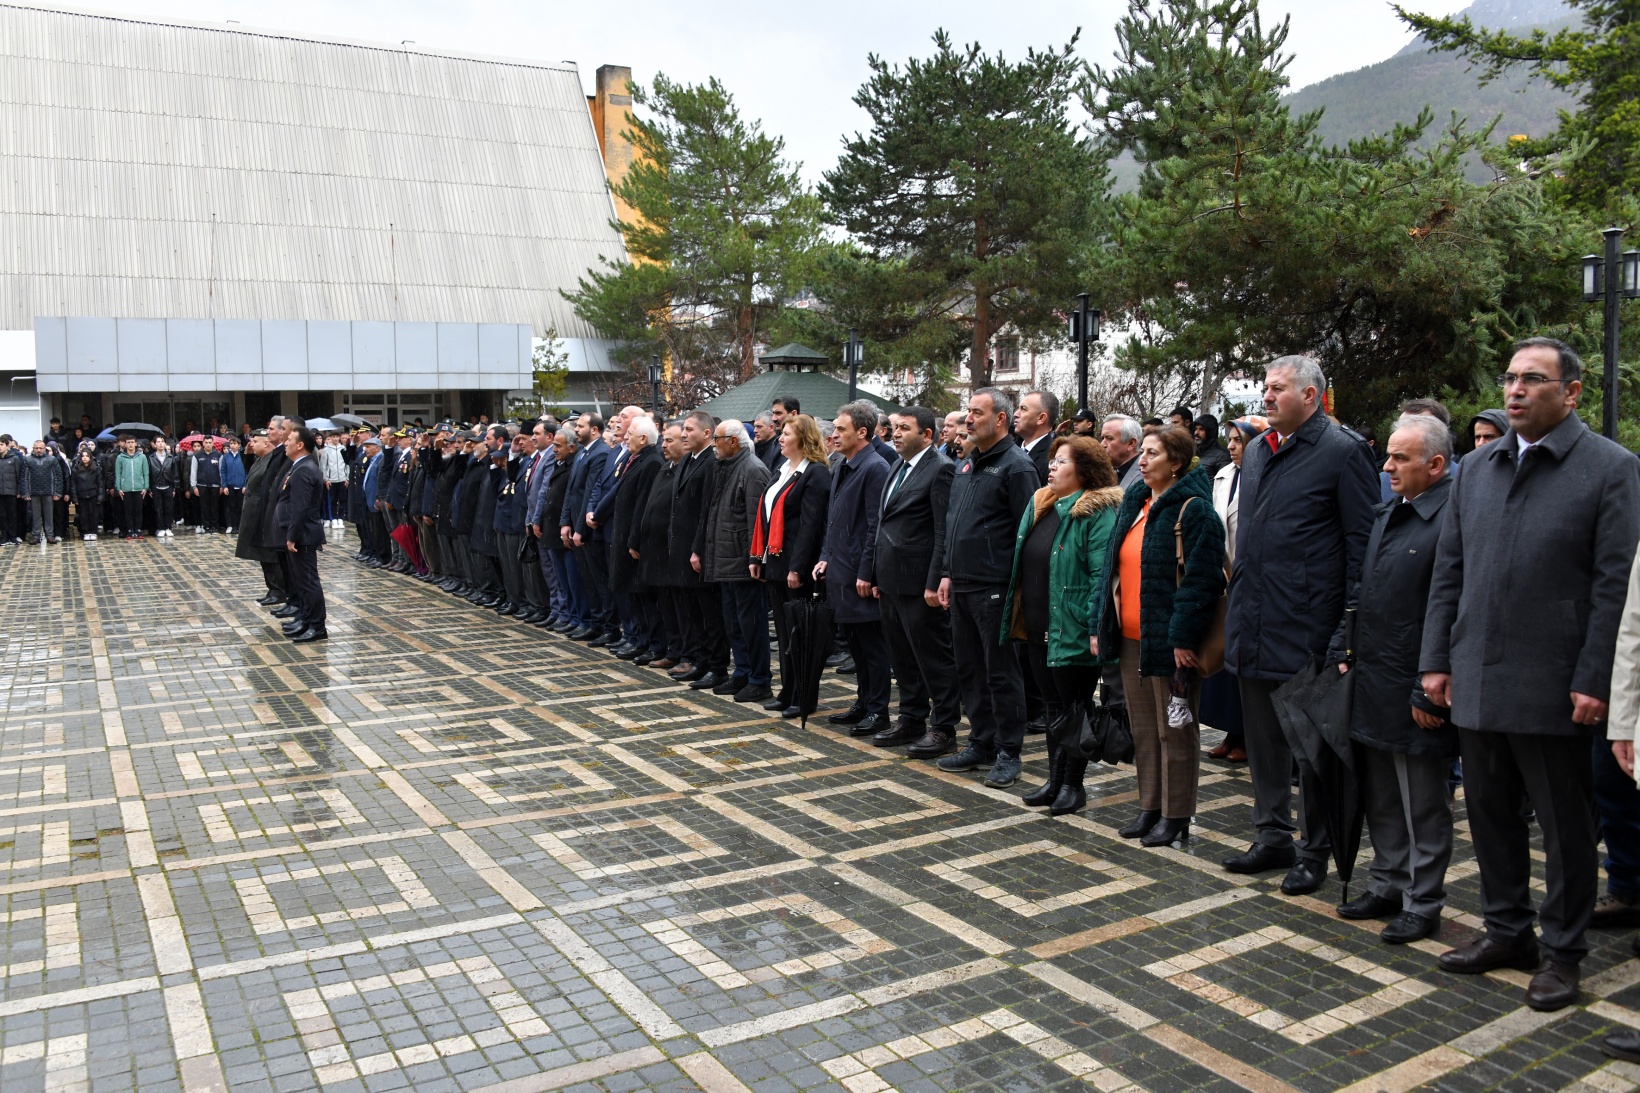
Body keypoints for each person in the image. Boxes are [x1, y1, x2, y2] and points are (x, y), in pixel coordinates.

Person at [1422, 337, 1640, 1012]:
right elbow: (1449, 572)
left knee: (1566, 826)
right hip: (1478, 676)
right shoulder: (1477, 467)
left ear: (1571, 392)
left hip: (1559, 686)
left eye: (1533, 380)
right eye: (1510, 378)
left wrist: (1595, 677)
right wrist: (1435, 658)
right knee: (1489, 816)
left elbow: (1616, 585)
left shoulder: (1610, 469)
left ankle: (1564, 952)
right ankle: (1506, 930)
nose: (1515, 390)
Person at [1224, 355, 1379, 894]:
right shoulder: (1262, 452)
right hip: (1254, 623)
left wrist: (1346, 630)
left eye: (1277, 389)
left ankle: (1315, 851)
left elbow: (1362, 549)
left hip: (1308, 630)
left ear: (1310, 397)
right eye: (1264, 388)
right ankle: (1272, 835)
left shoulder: (1342, 452)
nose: (1265, 397)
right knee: (1264, 742)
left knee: (1312, 752)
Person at [1321, 411, 1457, 946]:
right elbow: (1364, 589)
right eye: (1390, 454)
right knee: (1381, 794)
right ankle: (1388, 883)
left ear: (1437, 464)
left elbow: (1447, 608)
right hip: (1373, 676)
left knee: (1422, 800)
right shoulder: (1388, 512)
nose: (1388, 465)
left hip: (1416, 686)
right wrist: (1343, 649)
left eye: (1401, 457)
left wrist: (1428, 686)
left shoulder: (1450, 518)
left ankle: (1425, 902)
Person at [1092, 426, 1225, 843]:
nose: (1143, 461)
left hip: (1170, 642)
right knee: (1145, 728)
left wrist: (1183, 637)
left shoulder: (1195, 510)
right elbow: (1112, 571)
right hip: (1132, 638)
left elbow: (1202, 581)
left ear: (1177, 462)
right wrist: (1102, 626)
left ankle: (1177, 815)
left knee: (1175, 730)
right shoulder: (1136, 502)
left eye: (1153, 453)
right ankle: (1149, 807)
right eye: (1143, 453)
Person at [1005, 435, 1124, 813]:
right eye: (1052, 460)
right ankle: (1054, 780)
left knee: (1074, 708)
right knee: (1055, 708)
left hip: (1072, 627)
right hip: (1040, 625)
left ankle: (1074, 785)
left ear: (1084, 470)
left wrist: (1095, 628)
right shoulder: (1043, 503)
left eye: (1061, 461)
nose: (1051, 467)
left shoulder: (1097, 512)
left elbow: (1100, 575)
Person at [937, 388, 1040, 788]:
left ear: (1000, 419)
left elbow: (1027, 531)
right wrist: (946, 572)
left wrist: (1019, 590)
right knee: (969, 669)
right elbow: (953, 525)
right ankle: (980, 741)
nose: (968, 420)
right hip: (962, 585)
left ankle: (1009, 752)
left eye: (976, 413)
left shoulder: (1017, 467)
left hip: (994, 587)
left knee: (1000, 672)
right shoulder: (966, 465)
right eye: (967, 412)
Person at [872, 408, 962, 755]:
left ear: (927, 435)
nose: (895, 434)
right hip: (892, 581)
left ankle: (943, 727)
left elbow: (942, 530)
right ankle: (911, 717)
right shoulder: (898, 465)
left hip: (919, 584)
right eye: (894, 428)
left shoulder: (941, 469)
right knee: (902, 656)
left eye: (904, 428)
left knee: (933, 657)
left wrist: (934, 580)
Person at [814, 402, 892, 734]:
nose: (833, 435)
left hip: (858, 575)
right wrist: (826, 556)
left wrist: (866, 572)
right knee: (857, 646)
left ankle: (878, 710)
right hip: (841, 570)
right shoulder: (845, 466)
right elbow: (834, 521)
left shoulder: (874, 467)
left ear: (862, 432)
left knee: (872, 647)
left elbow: (876, 525)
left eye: (840, 429)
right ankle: (863, 702)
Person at [750, 414, 830, 716]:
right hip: (775, 562)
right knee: (784, 633)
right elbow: (766, 517)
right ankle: (787, 690)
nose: (781, 438)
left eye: (787, 433)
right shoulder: (782, 470)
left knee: (802, 634)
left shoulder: (816, 473)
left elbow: (810, 526)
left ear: (804, 438)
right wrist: (757, 557)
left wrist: (797, 567)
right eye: (781, 433)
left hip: (798, 567)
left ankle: (803, 695)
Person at [700, 419, 772, 702]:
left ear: (733, 441)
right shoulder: (726, 467)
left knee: (751, 625)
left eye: (717, 438)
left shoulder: (753, 469)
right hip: (727, 562)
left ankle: (759, 679)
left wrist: (756, 559)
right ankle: (742, 672)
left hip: (744, 564)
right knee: (734, 624)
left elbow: (758, 521)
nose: (713, 444)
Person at [1202, 417, 1261, 764]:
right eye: (1230, 440)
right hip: (1225, 576)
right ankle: (1230, 731)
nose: (1233, 446)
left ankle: (1247, 736)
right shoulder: (1224, 475)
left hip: (1250, 578)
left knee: (1245, 662)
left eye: (1239, 440)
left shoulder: (1264, 475)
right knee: (1224, 660)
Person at [672, 411, 728, 689]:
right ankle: (701, 661)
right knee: (692, 611)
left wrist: (698, 549)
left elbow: (706, 511)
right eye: (683, 428)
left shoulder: (711, 463)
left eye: (689, 429)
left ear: (707, 433)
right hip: (682, 548)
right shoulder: (687, 459)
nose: (683, 434)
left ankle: (717, 666)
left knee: (710, 613)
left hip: (699, 550)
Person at [607, 416, 664, 657]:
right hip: (624, 537)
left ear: (643, 438)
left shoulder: (651, 462)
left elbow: (643, 505)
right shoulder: (637, 458)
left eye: (630, 433)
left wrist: (634, 540)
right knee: (633, 595)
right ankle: (640, 640)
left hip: (634, 541)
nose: (625, 437)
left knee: (644, 597)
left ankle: (653, 644)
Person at [274, 425, 328, 643]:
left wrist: (292, 535)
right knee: (302, 581)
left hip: (303, 534)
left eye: (289, 440)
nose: (285, 443)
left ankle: (317, 626)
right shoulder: (299, 465)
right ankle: (306, 619)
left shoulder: (305, 468)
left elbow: (301, 507)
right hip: (301, 533)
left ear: (300, 445)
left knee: (308, 582)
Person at [560, 413, 611, 642]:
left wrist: (580, 528)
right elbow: (571, 492)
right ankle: (593, 622)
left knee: (598, 581)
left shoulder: (600, 453)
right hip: (576, 524)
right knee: (587, 580)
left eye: (580, 426)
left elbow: (591, 493)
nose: (576, 429)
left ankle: (605, 625)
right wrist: (565, 522)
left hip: (589, 530)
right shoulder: (583, 452)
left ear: (594, 430)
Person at [22, 439, 65, 543]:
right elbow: (24, 477)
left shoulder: (52, 459)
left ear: (44, 448)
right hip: (34, 492)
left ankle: (50, 535)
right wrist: (26, 492)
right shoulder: (28, 460)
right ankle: (36, 535)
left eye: (40, 448)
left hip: (49, 492)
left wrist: (57, 492)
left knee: (49, 515)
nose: (38, 450)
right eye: (36, 448)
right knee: (35, 516)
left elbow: (58, 477)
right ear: (33, 448)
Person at [1013, 390, 1058, 486]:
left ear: (1041, 418)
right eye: (1018, 408)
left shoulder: (1054, 458)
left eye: (1023, 409)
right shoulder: (1010, 449)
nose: (1016, 414)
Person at [114, 438, 150, 541]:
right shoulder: (120, 457)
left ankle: (138, 530)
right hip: (126, 488)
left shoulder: (142, 457)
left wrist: (145, 487)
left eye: (132, 442)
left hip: (139, 488)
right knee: (128, 510)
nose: (130, 445)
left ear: (135, 444)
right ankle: (130, 530)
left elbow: (146, 473)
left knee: (138, 510)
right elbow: (118, 473)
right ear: (125, 444)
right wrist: (119, 488)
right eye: (128, 443)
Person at [189, 438, 225, 533]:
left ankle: (214, 526)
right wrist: (194, 486)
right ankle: (206, 526)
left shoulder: (218, 455)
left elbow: (222, 471)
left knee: (214, 507)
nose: (208, 444)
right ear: (203, 444)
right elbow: (193, 471)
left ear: (213, 443)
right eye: (206, 443)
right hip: (202, 485)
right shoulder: (197, 456)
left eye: (210, 442)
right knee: (204, 507)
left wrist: (222, 485)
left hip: (215, 485)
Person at [147, 437, 180, 537]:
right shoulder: (151, 458)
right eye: (158, 442)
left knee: (169, 508)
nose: (160, 444)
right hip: (156, 486)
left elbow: (175, 474)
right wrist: (149, 488)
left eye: (162, 442)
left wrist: (175, 487)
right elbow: (148, 474)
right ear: (155, 444)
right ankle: (160, 527)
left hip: (168, 485)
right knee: (158, 509)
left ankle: (168, 527)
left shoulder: (171, 458)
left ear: (165, 444)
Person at [1101, 415, 1143, 489]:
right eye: (1103, 438)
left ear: (1131, 443)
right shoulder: (1109, 474)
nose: (1102, 444)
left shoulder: (1145, 475)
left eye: (1109, 438)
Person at [71, 447, 101, 540]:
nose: (84, 458)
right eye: (83, 456)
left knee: (94, 514)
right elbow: (73, 484)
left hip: (93, 494)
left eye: (87, 456)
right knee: (83, 515)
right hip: (81, 495)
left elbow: (100, 483)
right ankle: (86, 532)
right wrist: (74, 498)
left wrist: (100, 496)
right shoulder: (76, 469)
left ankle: (93, 531)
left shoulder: (96, 468)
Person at [319, 434, 348, 528]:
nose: (335, 438)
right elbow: (323, 465)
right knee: (333, 500)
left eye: (337, 436)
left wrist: (347, 477)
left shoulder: (343, 448)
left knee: (343, 499)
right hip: (332, 479)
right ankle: (334, 519)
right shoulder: (326, 450)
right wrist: (326, 479)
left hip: (343, 478)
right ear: (330, 438)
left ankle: (340, 518)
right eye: (333, 436)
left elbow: (347, 464)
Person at [221, 437, 246, 534]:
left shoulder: (243, 456)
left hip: (240, 486)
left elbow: (247, 471)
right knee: (230, 506)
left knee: (239, 506)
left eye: (235, 443)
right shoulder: (226, 457)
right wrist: (224, 486)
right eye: (231, 443)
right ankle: (231, 525)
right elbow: (223, 471)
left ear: (239, 445)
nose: (232, 445)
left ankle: (239, 525)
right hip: (230, 485)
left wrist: (245, 484)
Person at [0, 437, 20, 544]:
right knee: (2, 515)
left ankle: (13, 535)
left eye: (2, 444)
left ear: (7, 446)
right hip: (0, 492)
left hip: (11, 491)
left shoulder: (14, 459)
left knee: (12, 514)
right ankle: (4, 536)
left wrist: (19, 491)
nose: (0, 447)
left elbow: (19, 476)